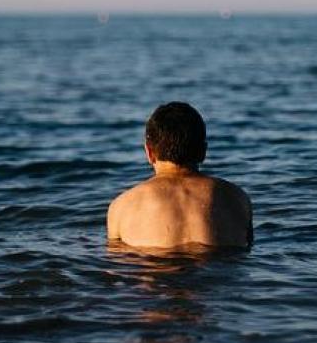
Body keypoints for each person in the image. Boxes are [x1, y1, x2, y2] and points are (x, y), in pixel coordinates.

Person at [107, 102, 252, 249]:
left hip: (155, 262)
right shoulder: (238, 198)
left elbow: (116, 261)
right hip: (221, 263)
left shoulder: (121, 207)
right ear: (203, 151)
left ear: (149, 152)